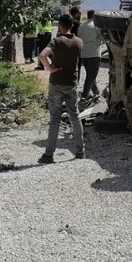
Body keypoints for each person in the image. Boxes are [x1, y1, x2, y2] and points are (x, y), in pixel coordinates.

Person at [38, 13, 85, 163]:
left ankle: (49, 154)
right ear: (72, 26)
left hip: (57, 82)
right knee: (75, 117)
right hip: (71, 83)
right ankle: (80, 151)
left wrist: (50, 69)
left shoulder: (56, 41)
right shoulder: (79, 42)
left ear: (60, 26)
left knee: (55, 119)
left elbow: (42, 55)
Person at [76, 9, 103, 102]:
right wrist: (98, 42)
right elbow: (102, 37)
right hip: (94, 53)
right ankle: (84, 96)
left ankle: (97, 94)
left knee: (91, 75)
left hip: (84, 54)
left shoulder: (81, 26)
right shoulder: (96, 25)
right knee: (91, 76)